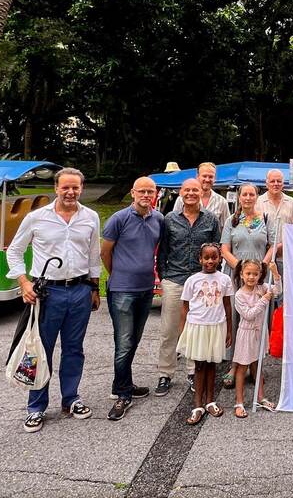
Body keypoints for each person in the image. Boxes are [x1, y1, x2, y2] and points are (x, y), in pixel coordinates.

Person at [7, 167, 102, 433]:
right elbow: (13, 252)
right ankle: (36, 407)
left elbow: (93, 256)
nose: (70, 192)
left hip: (80, 290)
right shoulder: (37, 218)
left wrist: (94, 289)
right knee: (41, 350)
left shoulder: (91, 217)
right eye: (65, 187)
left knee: (74, 349)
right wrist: (24, 283)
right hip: (48, 293)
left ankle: (71, 399)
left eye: (75, 187)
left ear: (81, 188)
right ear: (56, 188)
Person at [101, 177, 163, 422]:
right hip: (122, 290)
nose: (146, 195)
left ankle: (125, 383)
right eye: (142, 191)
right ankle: (122, 392)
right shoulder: (119, 219)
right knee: (124, 342)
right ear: (132, 192)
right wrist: (117, 273)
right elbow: (105, 251)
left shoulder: (158, 219)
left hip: (146, 288)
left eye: (150, 191)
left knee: (134, 340)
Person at [155, 178, 222, 398]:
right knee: (169, 329)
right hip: (175, 279)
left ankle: (193, 371)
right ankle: (165, 373)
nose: (191, 193)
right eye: (187, 190)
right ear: (181, 193)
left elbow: (216, 249)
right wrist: (164, 276)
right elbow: (163, 249)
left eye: (195, 190)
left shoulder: (211, 219)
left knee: (197, 328)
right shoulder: (169, 219)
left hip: (201, 281)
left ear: (200, 192)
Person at [220, 183, 275, 388]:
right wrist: (240, 270)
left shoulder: (266, 219)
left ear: (257, 196)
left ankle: (255, 364)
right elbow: (224, 248)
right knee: (237, 320)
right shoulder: (231, 220)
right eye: (245, 194)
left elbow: (273, 244)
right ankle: (235, 366)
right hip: (237, 275)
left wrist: (261, 267)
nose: (248, 198)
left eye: (252, 194)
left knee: (257, 320)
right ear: (239, 197)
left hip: (259, 276)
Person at [178, 243, 234, 425]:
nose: (210, 261)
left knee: (212, 364)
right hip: (198, 327)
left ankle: (210, 401)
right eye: (206, 257)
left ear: (220, 259)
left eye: (214, 257)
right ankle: (197, 405)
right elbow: (185, 307)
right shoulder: (192, 280)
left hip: (216, 326)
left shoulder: (225, 279)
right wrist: (183, 330)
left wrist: (229, 329)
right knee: (199, 365)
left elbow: (227, 305)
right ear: (200, 259)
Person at [231, 259, 281, 417]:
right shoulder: (239, 295)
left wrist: (275, 273)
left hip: (260, 332)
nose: (252, 277)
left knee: (258, 365)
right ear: (242, 274)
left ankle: (260, 397)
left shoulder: (263, 287)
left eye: (255, 274)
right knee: (242, 367)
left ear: (260, 275)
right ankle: (239, 402)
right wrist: (264, 299)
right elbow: (249, 315)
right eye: (248, 273)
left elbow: (278, 291)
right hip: (247, 333)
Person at [256, 169, 293, 275]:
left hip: (286, 257)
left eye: (279, 181)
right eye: (272, 181)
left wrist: (279, 246)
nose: (276, 184)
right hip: (263, 256)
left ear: (283, 184)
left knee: (284, 289)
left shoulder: (291, 202)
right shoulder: (258, 202)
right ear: (266, 184)